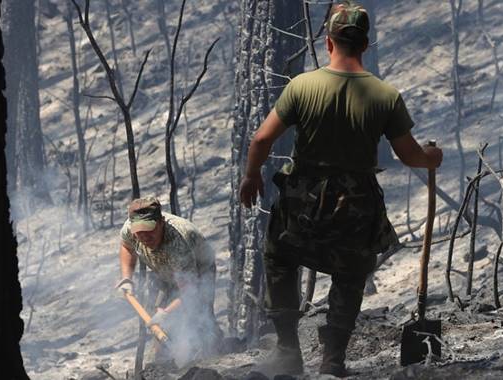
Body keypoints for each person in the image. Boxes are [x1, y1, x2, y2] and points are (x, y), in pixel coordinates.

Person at [238, 1, 443, 376]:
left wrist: (252, 176)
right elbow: (411, 155)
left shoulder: (302, 86)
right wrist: (432, 157)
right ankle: (333, 360)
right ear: (366, 45)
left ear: (329, 42)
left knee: (280, 259)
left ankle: (288, 350)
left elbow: (260, 140)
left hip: (301, 200)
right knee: (349, 277)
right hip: (356, 203)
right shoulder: (385, 96)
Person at [115, 196, 222, 363]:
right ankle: (162, 364)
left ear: (161, 222)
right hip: (163, 271)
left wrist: (166, 312)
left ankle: (212, 359)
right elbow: (126, 246)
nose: (144, 237)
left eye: (149, 230)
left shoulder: (178, 244)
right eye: (139, 232)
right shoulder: (130, 229)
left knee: (199, 316)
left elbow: (190, 290)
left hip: (198, 273)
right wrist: (127, 279)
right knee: (159, 322)